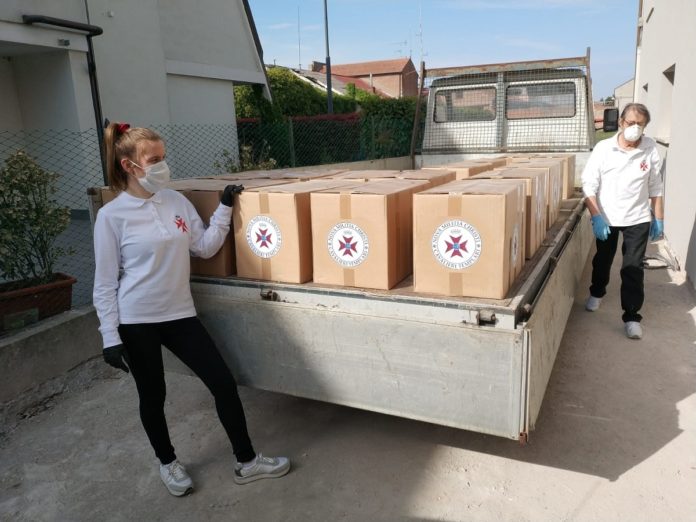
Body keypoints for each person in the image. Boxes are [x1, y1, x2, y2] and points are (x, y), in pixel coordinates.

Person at [93, 122, 290, 496]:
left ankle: (247, 462)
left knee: (222, 383)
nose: (162, 166)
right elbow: (104, 284)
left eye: (163, 157)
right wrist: (109, 336)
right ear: (128, 165)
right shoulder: (112, 217)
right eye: (154, 159)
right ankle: (168, 463)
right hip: (137, 321)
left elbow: (204, 247)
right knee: (153, 396)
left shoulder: (176, 202)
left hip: (180, 314)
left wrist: (225, 208)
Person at [581, 102, 664, 340]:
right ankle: (597, 291)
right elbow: (589, 184)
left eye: (640, 124)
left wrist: (658, 218)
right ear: (620, 122)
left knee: (633, 268)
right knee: (603, 259)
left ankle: (632, 316)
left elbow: (655, 187)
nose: (635, 128)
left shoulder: (649, 148)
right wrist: (596, 216)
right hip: (607, 217)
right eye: (631, 123)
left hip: (638, 217)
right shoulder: (604, 148)